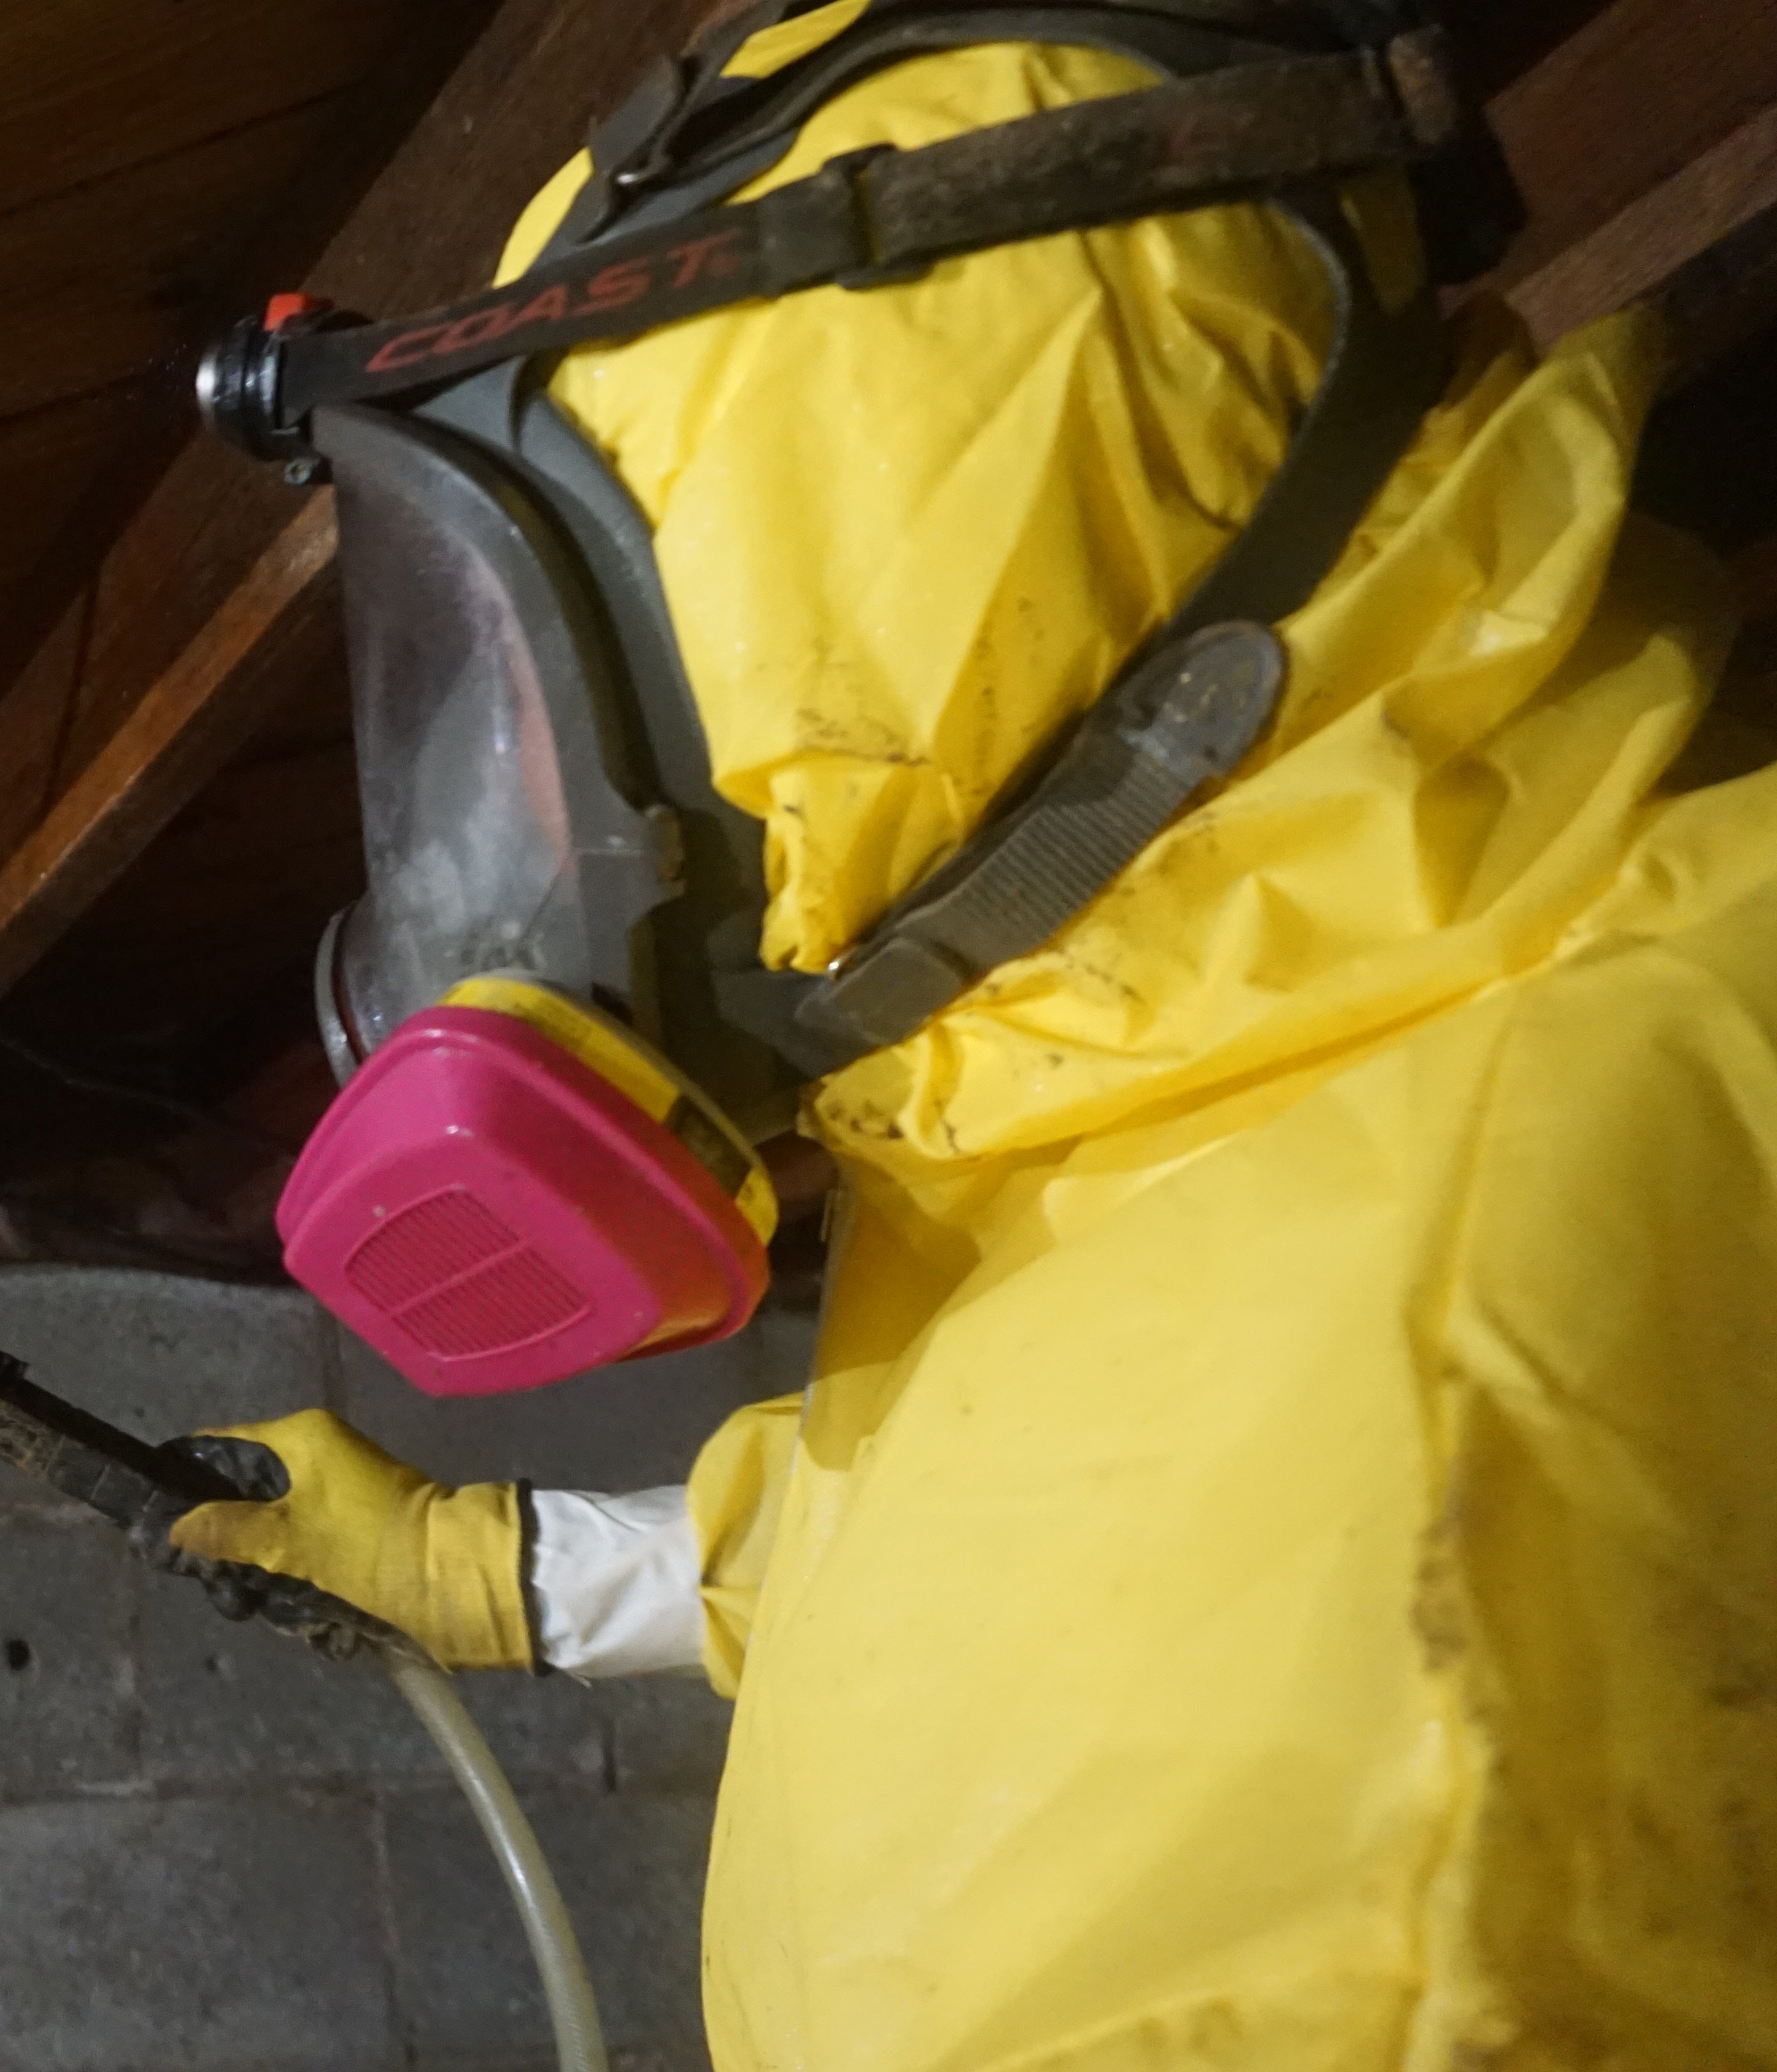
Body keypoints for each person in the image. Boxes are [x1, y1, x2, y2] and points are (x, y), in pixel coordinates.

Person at [165, 3, 1777, 2065]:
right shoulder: (1217, 1008)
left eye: (598, 723)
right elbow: (994, 1546)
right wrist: (532, 1579)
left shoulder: (1385, 1913)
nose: (495, 859)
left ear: (1111, 712)